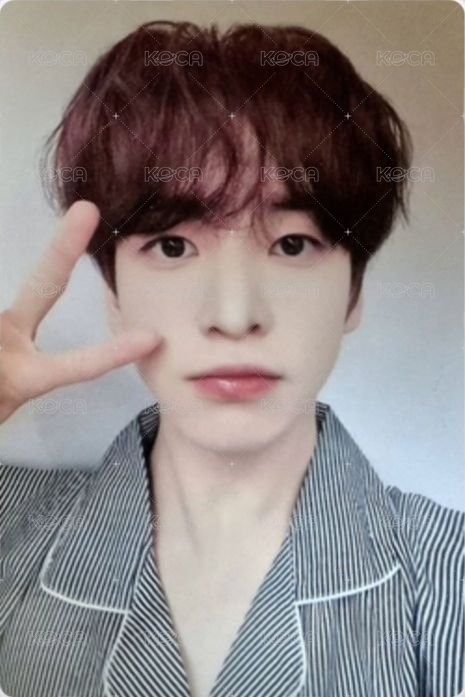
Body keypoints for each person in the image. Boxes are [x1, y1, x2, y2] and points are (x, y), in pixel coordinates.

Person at [0, 19, 463, 697]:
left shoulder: (449, 572)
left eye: (293, 244)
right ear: (114, 295)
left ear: (353, 292)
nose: (235, 314)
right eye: (173, 246)